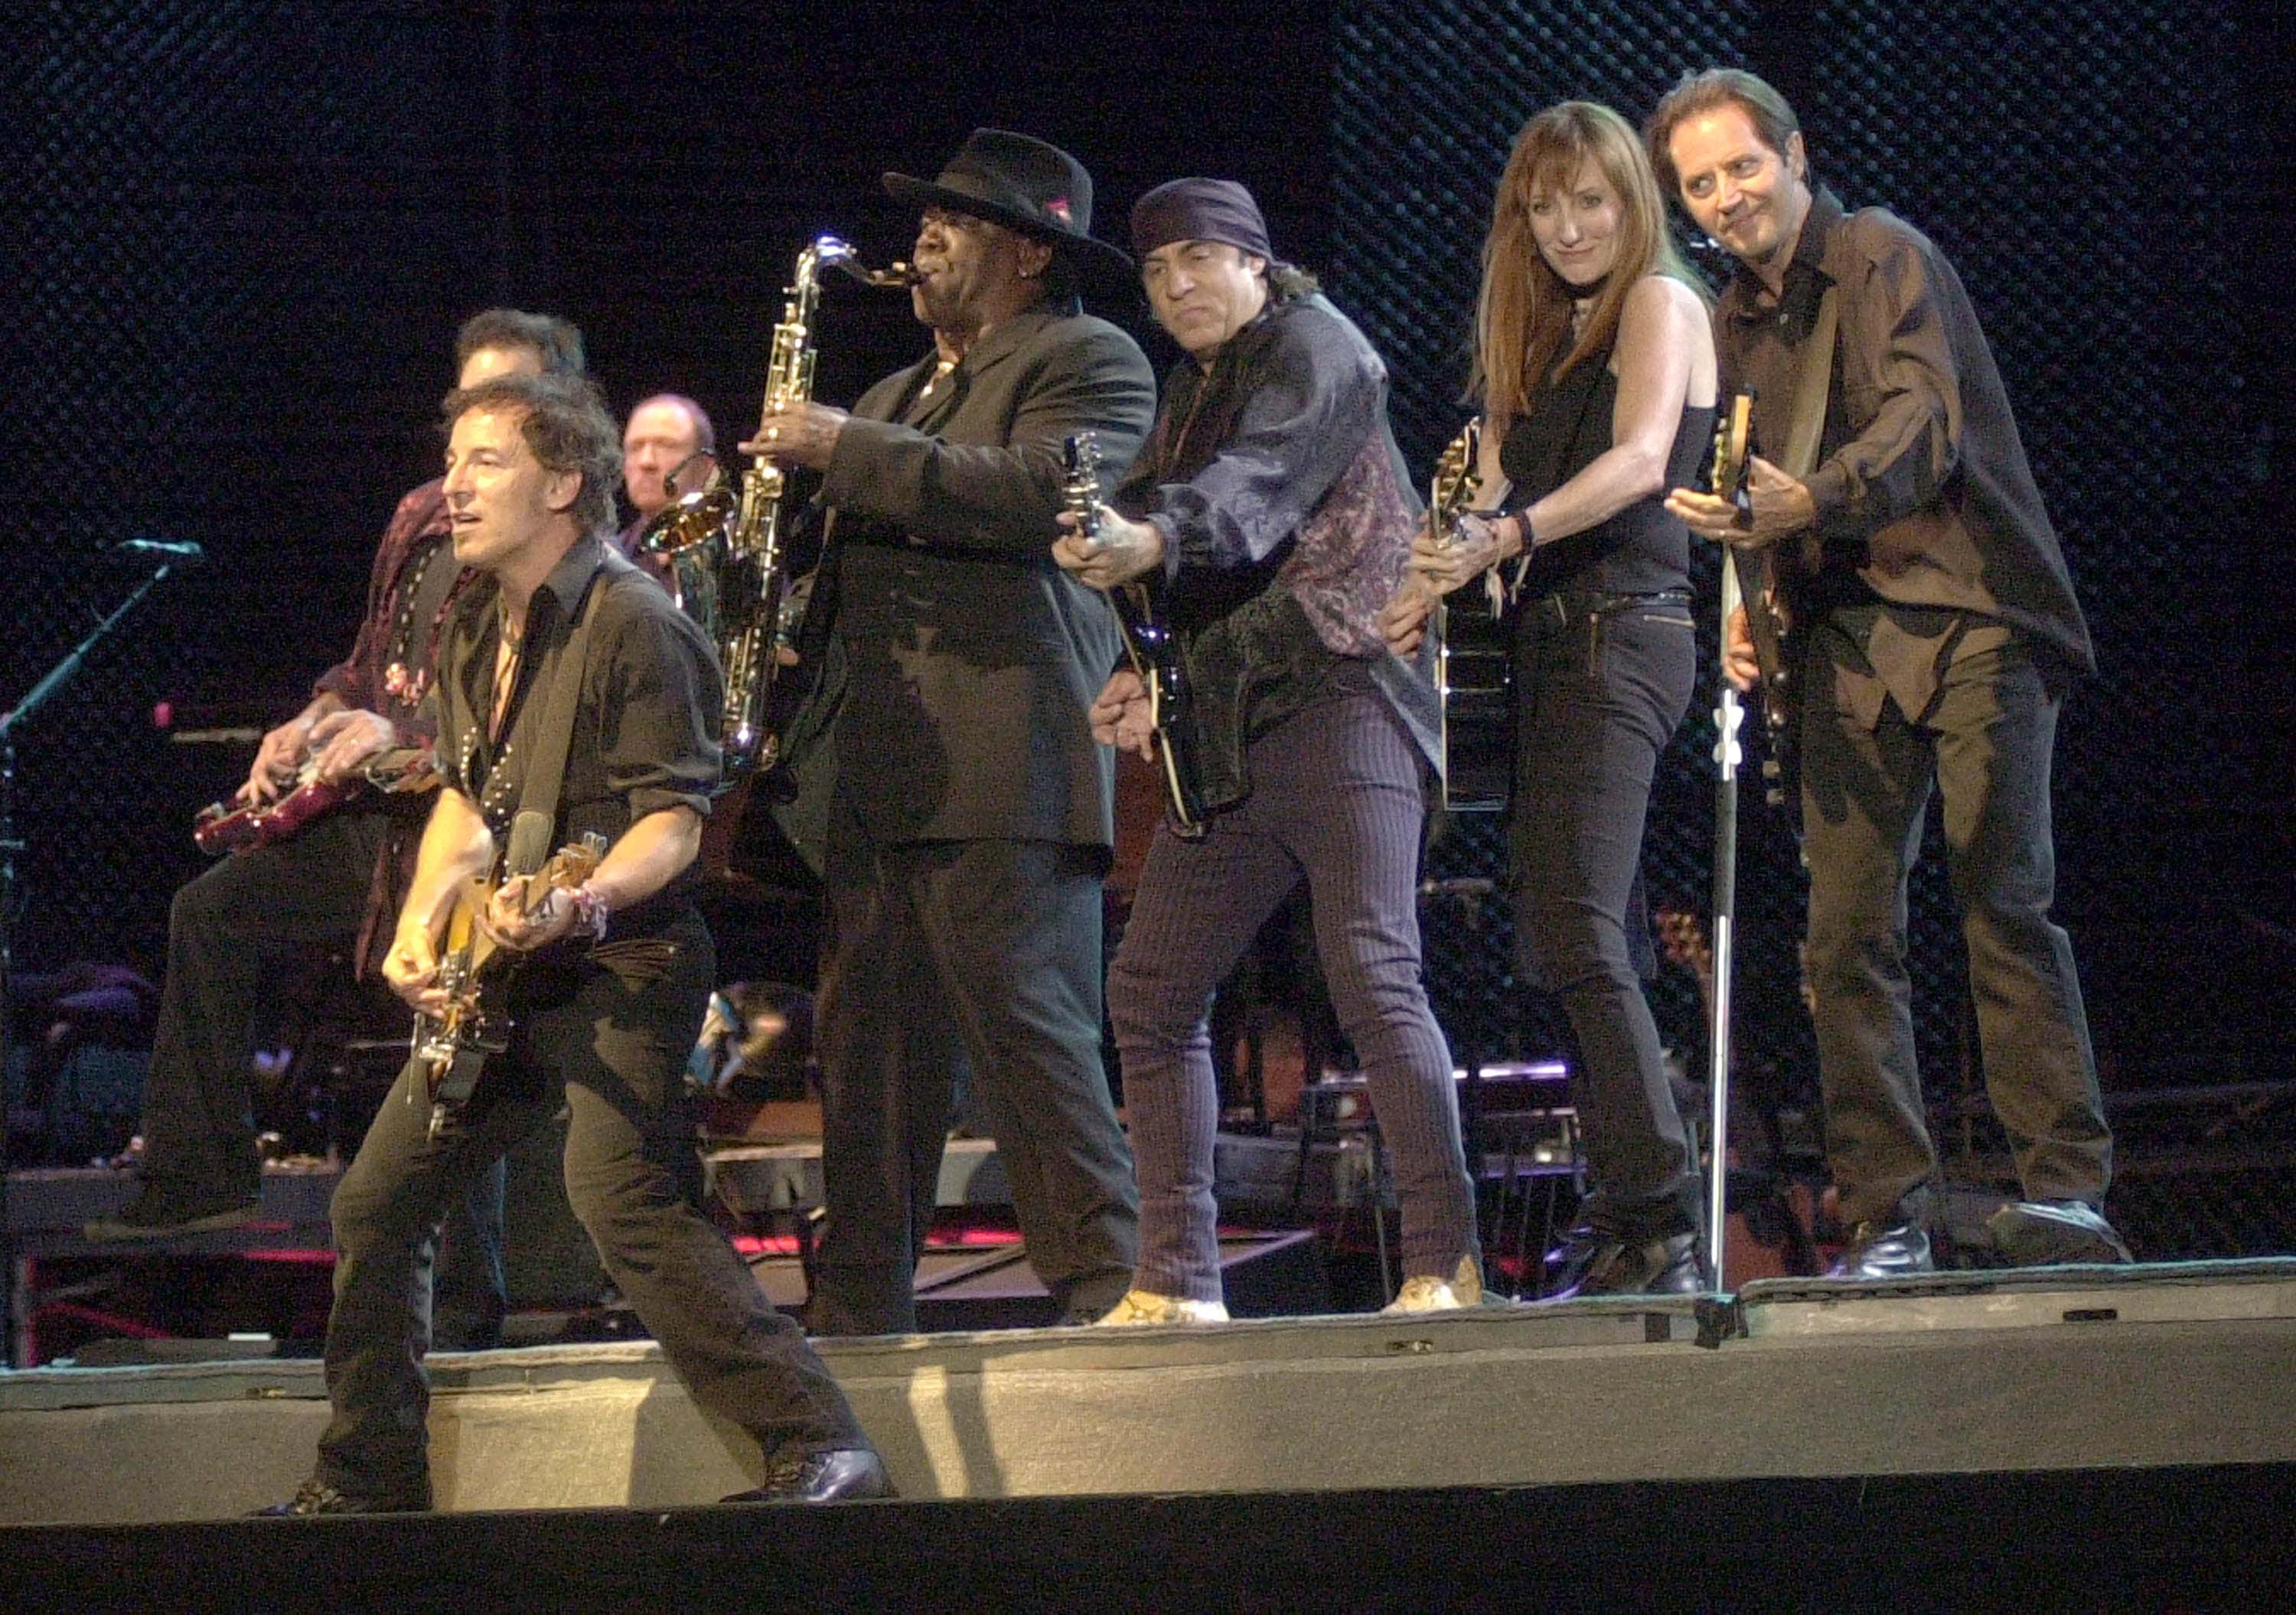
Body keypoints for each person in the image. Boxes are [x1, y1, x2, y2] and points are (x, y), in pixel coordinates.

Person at [263, 370, 886, 1514]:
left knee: (621, 1195)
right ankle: (368, 1478)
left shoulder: (637, 621)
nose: (453, 486)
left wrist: (583, 901)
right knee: (376, 1204)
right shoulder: (474, 614)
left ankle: (821, 1442)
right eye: (451, 462)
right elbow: (470, 794)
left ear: (563, 482)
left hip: (624, 960)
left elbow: (675, 822)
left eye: (485, 462)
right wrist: (418, 925)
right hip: (507, 967)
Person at [1652, 68, 2128, 1276]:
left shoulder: (1881, 256)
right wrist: (1754, 606)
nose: (1726, 198)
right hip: (1846, 643)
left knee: (2000, 899)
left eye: (1742, 168)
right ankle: (1889, 1212)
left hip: (1972, 613)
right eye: (1700, 185)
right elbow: (1753, 492)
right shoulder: (1730, 321)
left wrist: (1811, 500)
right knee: (1842, 935)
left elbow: (1925, 425)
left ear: (1795, 154)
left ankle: (2065, 1192)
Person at [742, 130, 1154, 1334]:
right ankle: (862, 1316)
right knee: (866, 1068)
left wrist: (845, 450)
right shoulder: (889, 393)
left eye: (954, 221)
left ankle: (1110, 1296)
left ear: (1030, 251)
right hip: (877, 775)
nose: (921, 239)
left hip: (1006, 763)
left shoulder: (1091, 355)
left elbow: (1041, 494)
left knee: (1033, 1049)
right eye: (923, 219)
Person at [1059, 178, 1479, 1322]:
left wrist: (1150, 533)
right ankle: (1179, 1282)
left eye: (1201, 258)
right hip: (1238, 723)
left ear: (1257, 262)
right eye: (1156, 270)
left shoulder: (1320, 347)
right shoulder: (1198, 389)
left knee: (1373, 973)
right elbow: (1171, 527)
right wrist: (1138, 663)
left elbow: (1250, 493)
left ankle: (1447, 1261)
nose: (1177, 284)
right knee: (1149, 991)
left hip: (1348, 701)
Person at [87, 311, 581, 1279]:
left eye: (505, 404)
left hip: (490, 834)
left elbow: (527, 712)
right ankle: (200, 1173)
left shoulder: (568, 543)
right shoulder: (420, 514)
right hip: (385, 827)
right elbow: (374, 662)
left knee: (462, 1035)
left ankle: (495, 1296)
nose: (474, 442)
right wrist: (314, 715)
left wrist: (403, 735)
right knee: (212, 910)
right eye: (466, 407)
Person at [1380, 103, 1717, 1297]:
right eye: (1544, 206)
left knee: (1580, 925)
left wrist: (1503, 531)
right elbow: (1475, 493)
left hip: (1625, 631)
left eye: (1592, 202)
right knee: (1572, 936)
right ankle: (1629, 1206)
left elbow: (1636, 464)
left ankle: (1664, 1212)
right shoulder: (1543, 335)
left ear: (1633, 205)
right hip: (1544, 647)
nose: (1568, 227)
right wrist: (1429, 569)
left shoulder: (1658, 305)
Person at [615, 391, 719, 629]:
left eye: (666, 445)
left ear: (705, 467)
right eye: (635, 447)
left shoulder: (738, 555)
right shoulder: (606, 557)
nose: (646, 461)